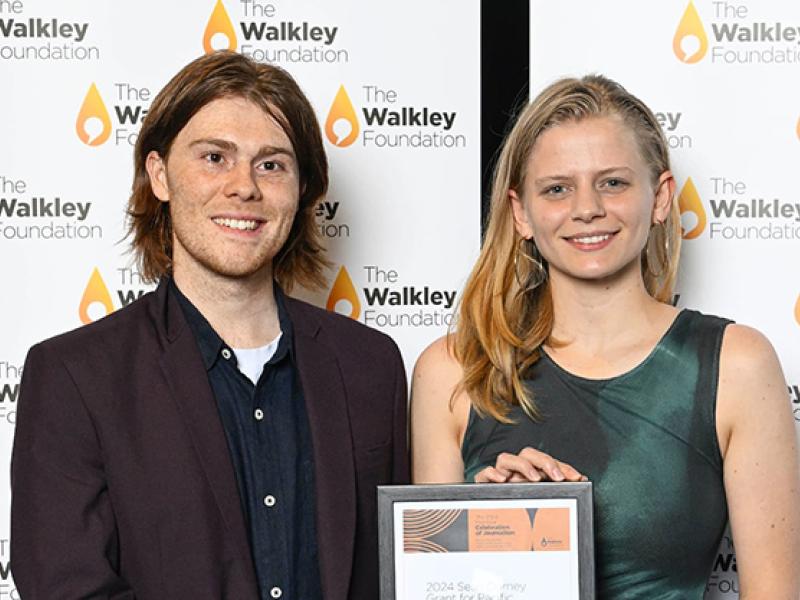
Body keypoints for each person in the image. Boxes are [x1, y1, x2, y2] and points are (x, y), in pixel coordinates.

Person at [11, 51, 408, 600]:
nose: (244, 186)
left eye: (272, 164)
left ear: (302, 191)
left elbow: (401, 573)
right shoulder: (75, 377)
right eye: (215, 157)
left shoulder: (371, 365)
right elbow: (68, 589)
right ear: (160, 176)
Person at [411, 75, 799, 598]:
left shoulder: (736, 365)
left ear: (660, 198)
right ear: (521, 212)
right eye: (556, 189)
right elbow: (433, 587)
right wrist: (490, 529)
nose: (586, 208)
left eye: (613, 182)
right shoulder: (454, 369)